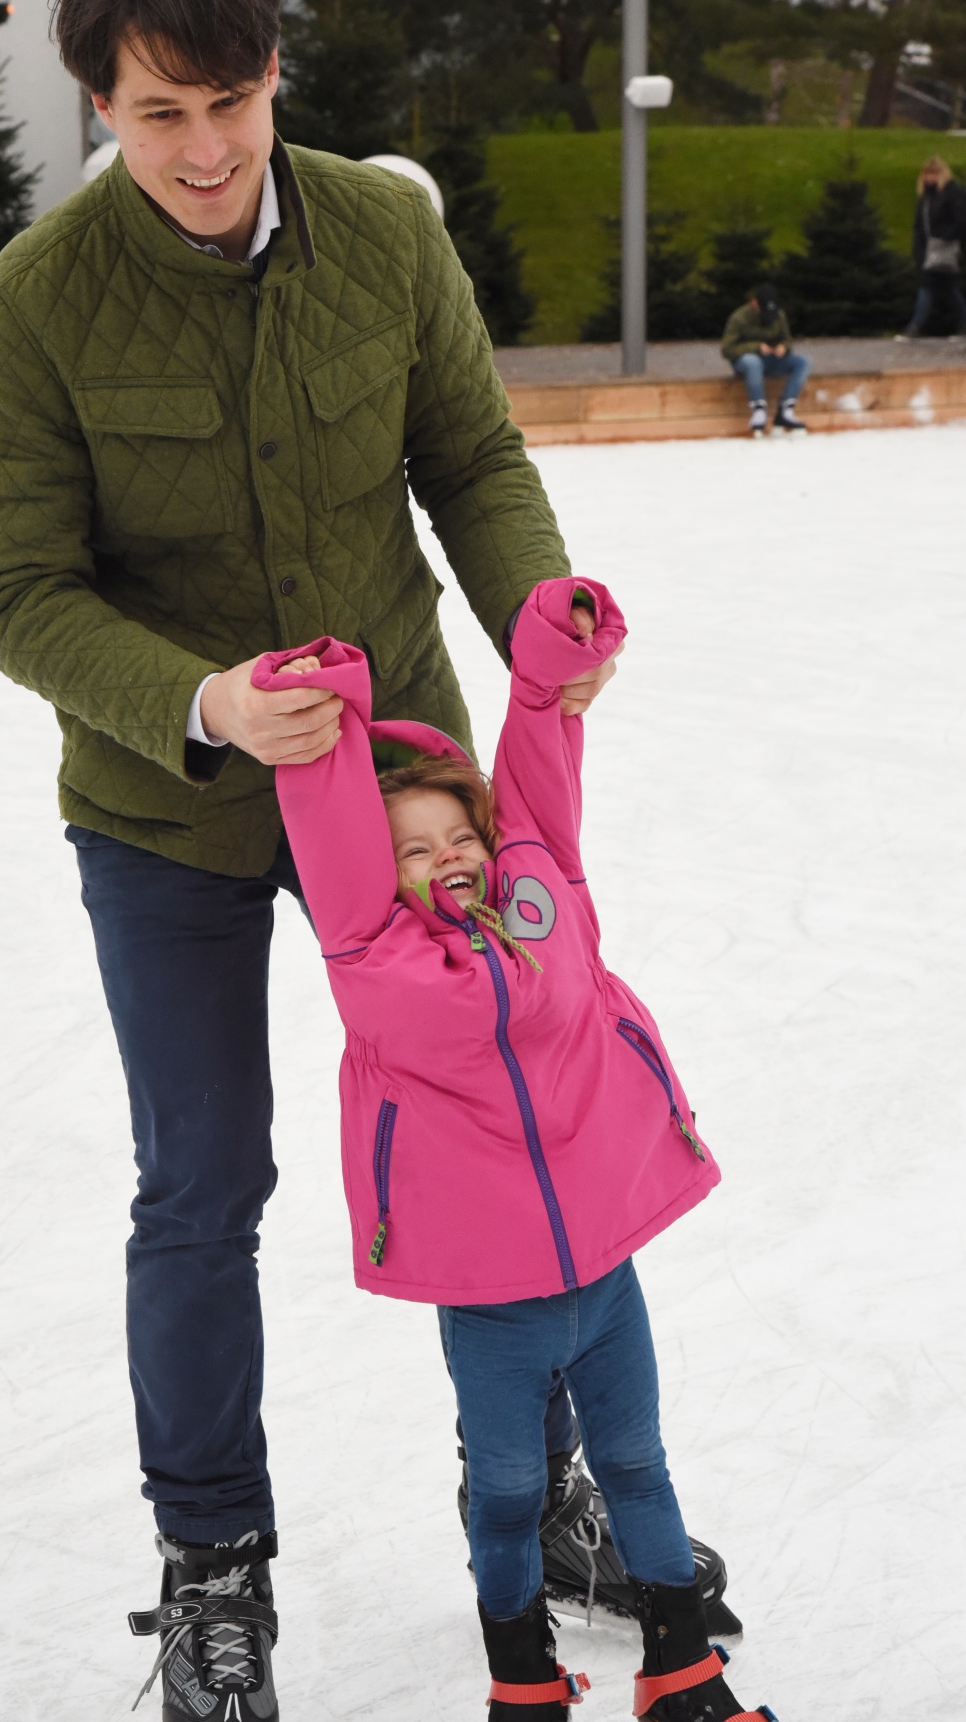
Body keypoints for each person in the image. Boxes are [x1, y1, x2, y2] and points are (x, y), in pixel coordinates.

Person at [0, 0, 725, 1722]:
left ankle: (559, 1511)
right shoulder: (33, 308)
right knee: (204, 1182)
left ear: (278, 71)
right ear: (99, 107)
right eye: (160, 114)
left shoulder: (382, 235)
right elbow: (18, 594)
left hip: (411, 803)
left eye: (233, 98)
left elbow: (468, 453)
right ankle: (212, 1564)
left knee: (523, 1110)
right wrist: (204, 705)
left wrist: (542, 619)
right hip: (174, 812)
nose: (209, 149)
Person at [261, 584, 777, 1722]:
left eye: (462, 834)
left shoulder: (546, 898)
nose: (448, 857)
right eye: (414, 848)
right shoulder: (372, 955)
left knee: (638, 1465)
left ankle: (684, 1675)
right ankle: (524, 1683)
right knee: (504, 1493)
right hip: (490, 1297)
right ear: (374, 870)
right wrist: (327, 725)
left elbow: (540, 766)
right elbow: (336, 839)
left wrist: (549, 665)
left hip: (606, 1269)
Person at [721, 283, 809, 437]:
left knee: (802, 362)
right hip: (745, 363)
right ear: (754, 303)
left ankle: (785, 410)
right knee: (753, 362)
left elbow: (788, 340)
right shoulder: (739, 318)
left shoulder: (779, 316)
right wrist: (756, 347)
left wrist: (784, 347)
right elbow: (727, 349)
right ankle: (759, 410)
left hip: (771, 360)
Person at [898, 155, 966, 339]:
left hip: (943, 248)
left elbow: (960, 220)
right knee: (947, 288)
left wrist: (945, 237)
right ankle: (962, 324)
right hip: (928, 249)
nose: (930, 178)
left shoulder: (951, 192)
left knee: (930, 287)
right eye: (927, 174)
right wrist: (918, 249)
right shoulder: (926, 197)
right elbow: (919, 225)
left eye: (934, 174)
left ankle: (914, 327)